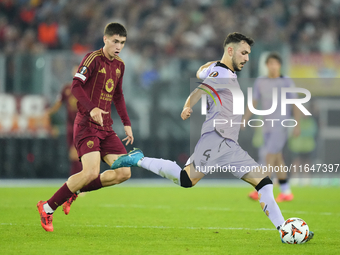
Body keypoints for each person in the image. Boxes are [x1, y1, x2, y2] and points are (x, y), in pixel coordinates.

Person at [110, 33, 313, 243]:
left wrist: (210, 67)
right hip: (215, 140)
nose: (247, 58)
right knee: (186, 180)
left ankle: (284, 230)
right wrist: (188, 105)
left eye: (249, 54)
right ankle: (138, 159)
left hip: (230, 145)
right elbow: (199, 90)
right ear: (230, 51)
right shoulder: (221, 74)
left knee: (265, 183)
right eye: (244, 53)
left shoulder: (219, 70)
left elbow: (201, 71)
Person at [37, 22, 134, 232]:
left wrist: (126, 122)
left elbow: (118, 95)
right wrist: (91, 109)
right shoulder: (92, 59)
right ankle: (47, 207)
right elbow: (75, 86)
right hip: (87, 124)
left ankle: (75, 190)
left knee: (124, 172)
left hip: (106, 127)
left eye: (122, 43)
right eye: (115, 41)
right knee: (90, 172)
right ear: (105, 39)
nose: (118, 46)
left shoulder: (120, 65)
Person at [242, 52, 300, 202]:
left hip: (281, 125)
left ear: (280, 65)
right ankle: (286, 191)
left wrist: (297, 124)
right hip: (267, 125)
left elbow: (295, 104)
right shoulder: (261, 81)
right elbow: (254, 102)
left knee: (269, 156)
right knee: (277, 158)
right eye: (270, 63)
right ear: (267, 65)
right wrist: (245, 119)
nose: (273, 66)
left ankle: (261, 189)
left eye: (276, 63)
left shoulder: (286, 81)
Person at [46, 65, 82, 178]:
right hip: (70, 126)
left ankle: (77, 182)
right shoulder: (66, 88)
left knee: (75, 154)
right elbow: (58, 104)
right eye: (74, 70)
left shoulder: (87, 88)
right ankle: (79, 181)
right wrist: (48, 112)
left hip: (82, 126)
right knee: (73, 155)